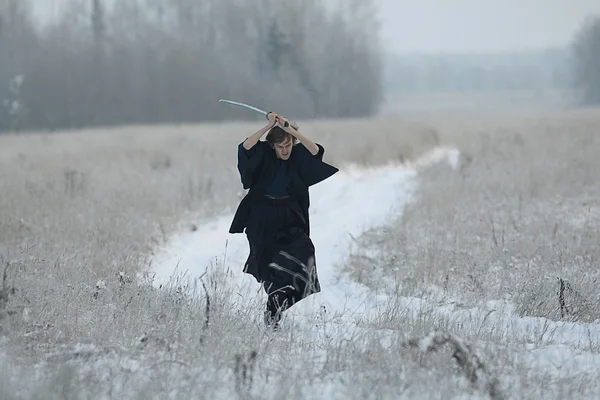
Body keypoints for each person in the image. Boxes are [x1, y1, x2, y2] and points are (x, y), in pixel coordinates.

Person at [229, 112, 339, 329]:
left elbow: (317, 151)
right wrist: (268, 126)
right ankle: (273, 315)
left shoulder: (297, 156)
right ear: (272, 147)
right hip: (261, 219)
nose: (285, 149)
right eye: (280, 146)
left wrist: (291, 130)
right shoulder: (264, 154)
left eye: (288, 144)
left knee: (304, 261)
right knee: (271, 270)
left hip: (290, 218)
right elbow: (245, 147)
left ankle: (275, 307)